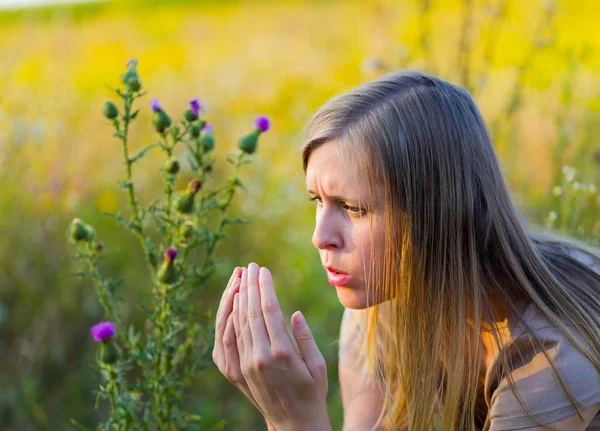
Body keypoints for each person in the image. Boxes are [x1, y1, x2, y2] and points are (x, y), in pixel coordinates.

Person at [212, 70, 600, 431]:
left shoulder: (550, 356)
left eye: (353, 208)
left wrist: (295, 419)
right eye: (318, 199)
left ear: (436, 213)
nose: (321, 237)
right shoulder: (381, 304)